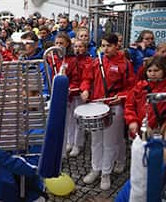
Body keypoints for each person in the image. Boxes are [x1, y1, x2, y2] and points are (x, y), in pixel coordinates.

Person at [80, 33, 135, 190]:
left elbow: (132, 87)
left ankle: (106, 173)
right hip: (96, 105)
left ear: (116, 45)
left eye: (108, 46)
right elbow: (86, 79)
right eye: (103, 45)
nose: (105, 49)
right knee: (96, 140)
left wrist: (122, 97)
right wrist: (84, 90)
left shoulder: (125, 64)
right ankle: (95, 168)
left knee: (110, 142)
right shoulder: (96, 62)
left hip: (114, 106)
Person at [51, 33, 80, 157]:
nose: (58, 46)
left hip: (68, 96)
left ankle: (70, 145)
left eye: (61, 43)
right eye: (56, 43)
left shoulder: (72, 60)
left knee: (69, 122)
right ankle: (60, 149)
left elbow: (75, 79)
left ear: (67, 44)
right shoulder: (52, 58)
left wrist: (69, 89)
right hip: (54, 96)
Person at [124, 56, 166, 136]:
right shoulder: (140, 86)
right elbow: (129, 106)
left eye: (156, 70)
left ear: (164, 70)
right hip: (143, 130)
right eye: (149, 71)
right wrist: (132, 121)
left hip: (162, 131)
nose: (152, 74)